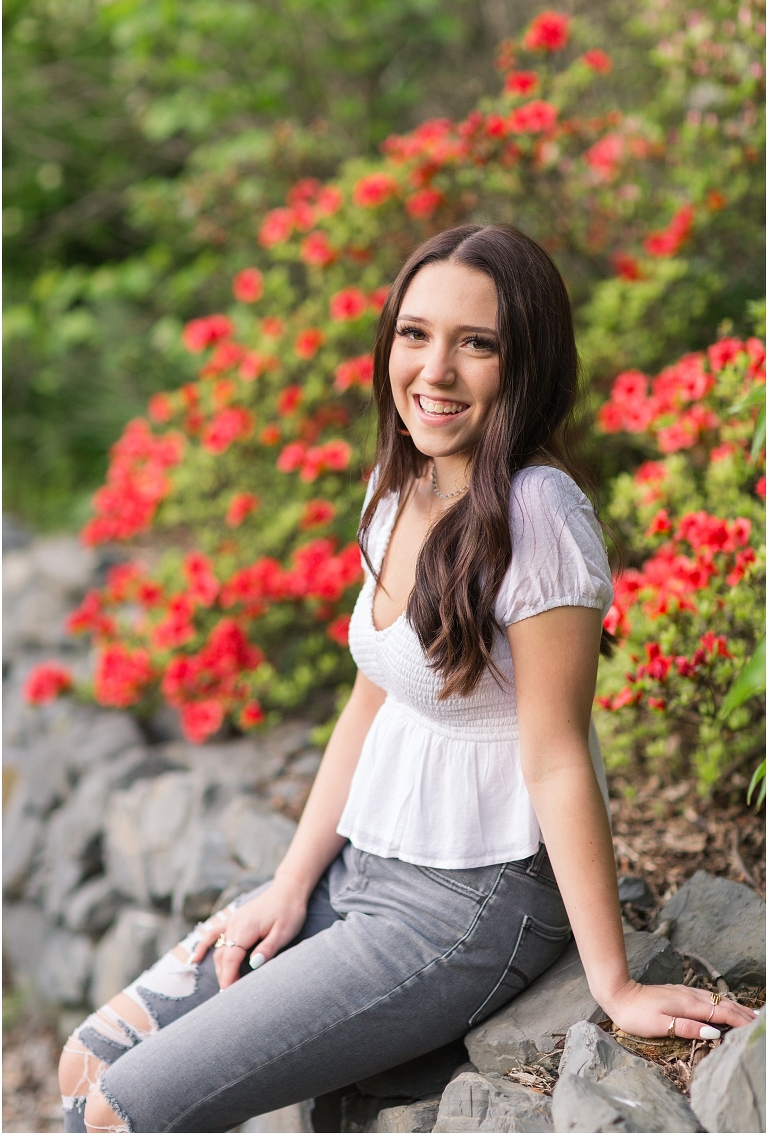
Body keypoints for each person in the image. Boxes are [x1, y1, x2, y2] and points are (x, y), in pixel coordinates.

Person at [58, 224, 756, 1133]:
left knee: (111, 1114)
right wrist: (288, 882)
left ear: (526, 362)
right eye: (415, 334)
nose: (435, 369)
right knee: (86, 1060)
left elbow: (557, 759)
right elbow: (371, 696)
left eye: (478, 343)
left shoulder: (540, 517)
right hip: (364, 862)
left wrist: (613, 981)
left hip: (470, 904)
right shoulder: (400, 487)